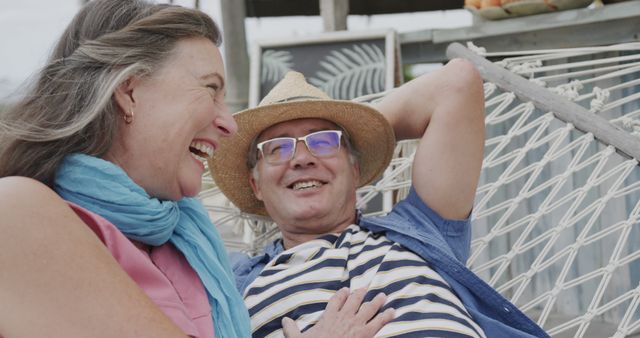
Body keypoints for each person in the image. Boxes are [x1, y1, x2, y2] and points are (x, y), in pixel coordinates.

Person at [0, 1, 393, 337]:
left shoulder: (184, 243)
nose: (230, 123)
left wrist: (338, 145)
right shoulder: (18, 213)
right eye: (210, 89)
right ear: (129, 90)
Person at [209, 68, 550, 337]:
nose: (301, 159)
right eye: (279, 148)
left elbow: (457, 83)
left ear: (355, 170)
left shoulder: (419, 229)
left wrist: (362, 132)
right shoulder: (233, 281)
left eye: (324, 141)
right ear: (256, 184)